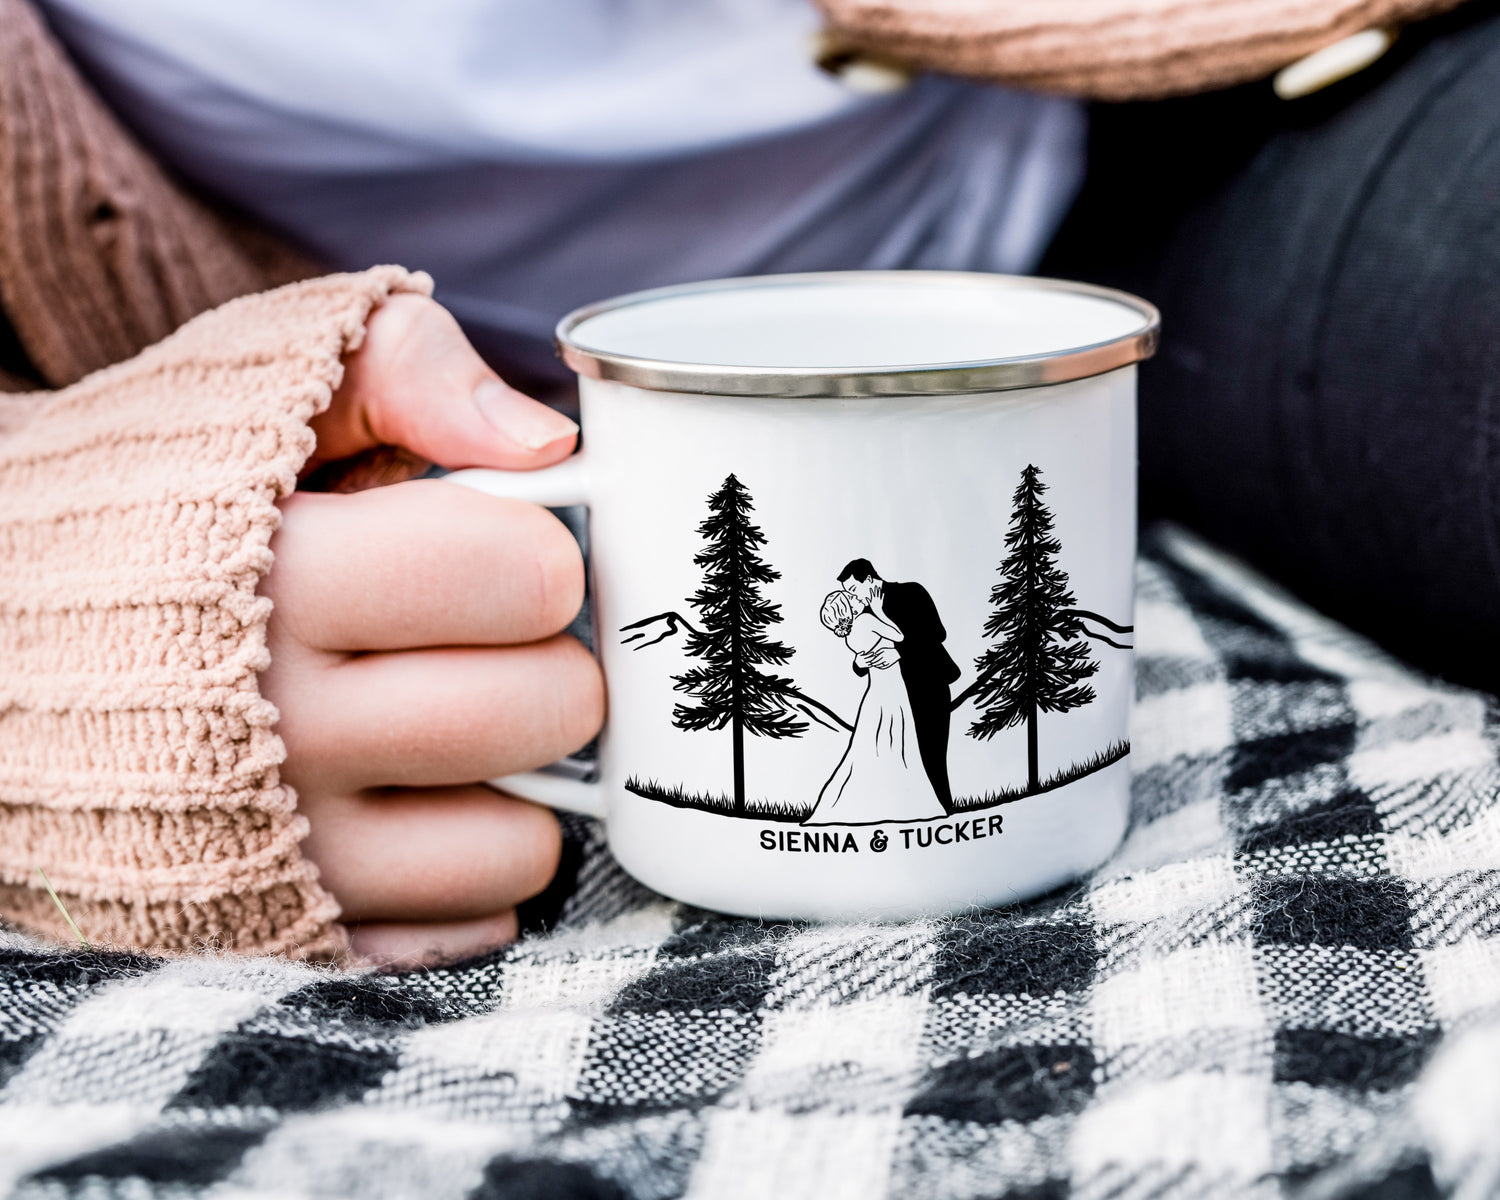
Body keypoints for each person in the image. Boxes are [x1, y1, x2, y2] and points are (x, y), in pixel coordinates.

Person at [0, 0, 1484, 963]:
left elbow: (906, 653)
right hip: (469, 383)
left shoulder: (891, 614)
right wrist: (39, 614)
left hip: (1139, 133)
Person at [805, 588, 946, 825]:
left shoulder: (851, 635)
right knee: (898, 740)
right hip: (892, 688)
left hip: (877, 690)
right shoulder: (867, 620)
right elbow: (899, 636)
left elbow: (866, 657)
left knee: (872, 744)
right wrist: (880, 610)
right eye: (850, 598)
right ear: (846, 610)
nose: (856, 598)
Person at [836, 560, 961, 809]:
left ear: (869, 580)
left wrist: (899, 652)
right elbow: (863, 654)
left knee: (932, 754)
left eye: (852, 590)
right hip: (893, 696)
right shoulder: (864, 613)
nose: (850, 598)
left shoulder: (911, 592)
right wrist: (859, 662)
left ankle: (945, 809)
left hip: (929, 685)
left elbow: (936, 633)